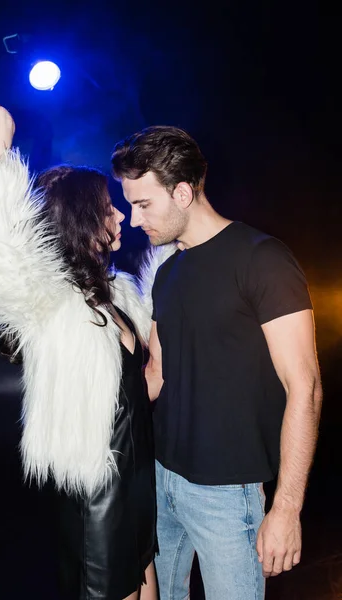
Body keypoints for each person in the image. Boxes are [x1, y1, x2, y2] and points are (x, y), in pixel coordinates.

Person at [0, 102, 158, 600]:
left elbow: (138, 391)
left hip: (136, 489)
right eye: (108, 206)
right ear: (83, 217)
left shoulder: (118, 294)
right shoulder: (47, 299)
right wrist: (4, 133)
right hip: (96, 496)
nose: (119, 213)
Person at [111, 125, 323, 600]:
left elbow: (304, 388)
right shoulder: (166, 273)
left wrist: (286, 509)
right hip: (161, 478)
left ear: (182, 192)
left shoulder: (262, 259)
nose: (132, 216)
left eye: (143, 203)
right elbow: (155, 376)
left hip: (228, 496)